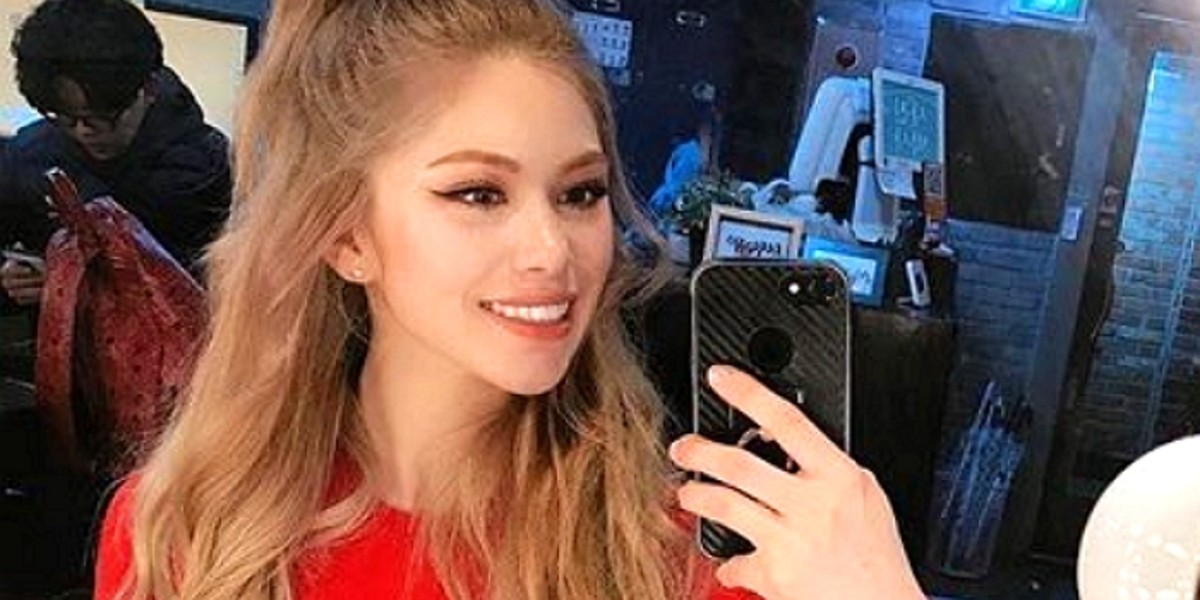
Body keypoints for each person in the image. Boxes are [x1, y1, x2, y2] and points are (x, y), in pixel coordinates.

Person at [93, 0, 926, 598]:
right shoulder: (187, 536)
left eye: (580, 194)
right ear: (347, 236)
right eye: (478, 194)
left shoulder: (693, 559)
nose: (552, 250)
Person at [0, 0, 232, 309]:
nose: (83, 132)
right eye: (65, 117)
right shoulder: (30, 154)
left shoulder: (207, 172)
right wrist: (12, 276)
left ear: (148, 89)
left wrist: (71, 285)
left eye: (103, 117)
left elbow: (212, 294)